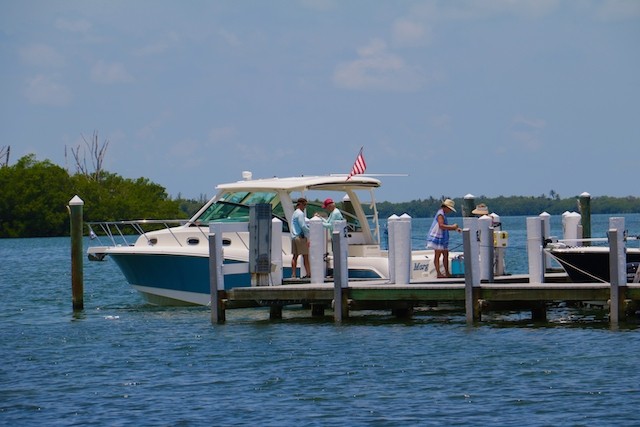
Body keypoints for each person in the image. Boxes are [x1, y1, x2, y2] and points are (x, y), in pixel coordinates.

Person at [427, 199, 461, 278]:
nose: (450, 211)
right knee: (438, 255)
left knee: (445, 254)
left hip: (443, 237)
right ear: (446, 207)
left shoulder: (443, 214)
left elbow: (444, 226)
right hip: (438, 237)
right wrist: (453, 227)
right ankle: (439, 273)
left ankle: (447, 272)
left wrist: (455, 229)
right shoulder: (440, 214)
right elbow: (441, 226)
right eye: (449, 209)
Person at [291, 197, 310, 279]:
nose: (305, 207)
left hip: (294, 237)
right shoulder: (300, 213)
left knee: (295, 256)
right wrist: (310, 231)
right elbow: (303, 226)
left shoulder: (294, 213)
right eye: (304, 205)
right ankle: (308, 274)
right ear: (301, 204)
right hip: (300, 237)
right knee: (305, 256)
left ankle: (293, 274)